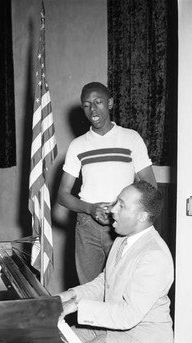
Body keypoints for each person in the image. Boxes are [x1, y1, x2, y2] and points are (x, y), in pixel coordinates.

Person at [58, 181, 174, 343]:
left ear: (142, 216)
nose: (112, 210)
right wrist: (70, 294)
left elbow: (128, 315)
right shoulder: (122, 239)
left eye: (121, 205)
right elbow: (105, 282)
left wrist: (76, 306)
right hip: (111, 328)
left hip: (140, 342)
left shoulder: (154, 255)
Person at [58, 82, 157, 285]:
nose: (93, 109)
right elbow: (62, 195)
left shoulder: (131, 139)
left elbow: (149, 186)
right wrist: (90, 209)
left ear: (110, 103)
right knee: (89, 289)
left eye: (98, 102)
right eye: (86, 105)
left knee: (121, 288)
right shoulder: (77, 145)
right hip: (87, 225)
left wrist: (125, 211)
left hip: (123, 224)